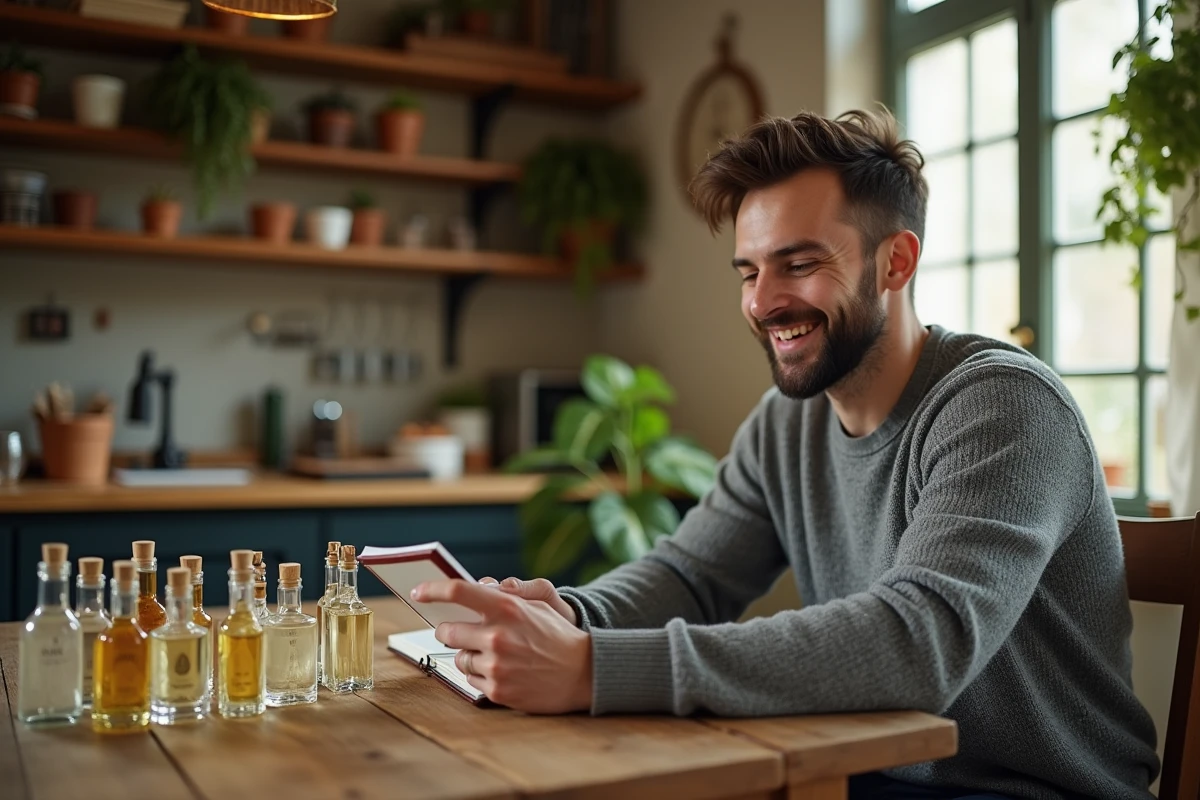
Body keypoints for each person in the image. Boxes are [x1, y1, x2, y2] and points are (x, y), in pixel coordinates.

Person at [412, 108, 1160, 800]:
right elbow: (691, 576)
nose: (761, 302)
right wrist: (573, 616)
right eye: (749, 271)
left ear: (896, 262)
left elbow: (917, 643)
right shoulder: (788, 422)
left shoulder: (1003, 405)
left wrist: (592, 667)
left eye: (797, 264)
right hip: (866, 776)